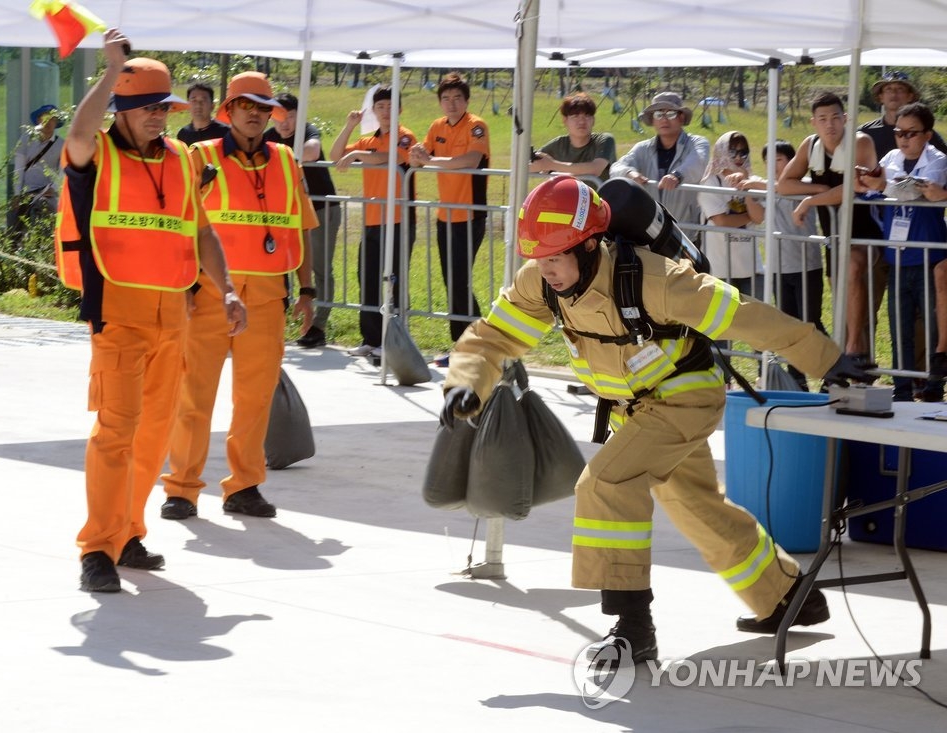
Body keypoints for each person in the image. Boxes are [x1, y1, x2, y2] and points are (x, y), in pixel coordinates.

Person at [440, 176, 874, 663]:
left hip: (683, 397)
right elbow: (493, 336)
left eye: (557, 257)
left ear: (588, 246)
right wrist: (465, 383)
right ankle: (788, 597)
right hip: (634, 408)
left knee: (606, 483)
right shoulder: (541, 282)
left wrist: (826, 359)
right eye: (539, 257)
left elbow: (746, 316)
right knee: (696, 506)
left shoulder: (656, 280)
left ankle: (633, 625)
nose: (547, 269)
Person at [55, 31, 247, 594]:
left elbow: (202, 231)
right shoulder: (97, 155)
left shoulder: (184, 160)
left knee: (153, 435)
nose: (159, 117)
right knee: (115, 432)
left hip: (173, 316)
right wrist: (112, 71)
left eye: (164, 107)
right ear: (122, 108)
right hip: (117, 312)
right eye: (147, 108)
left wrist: (228, 288)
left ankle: (128, 533)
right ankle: (97, 547)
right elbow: (78, 131)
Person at [161, 72, 318, 522]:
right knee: (195, 394)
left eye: (263, 108)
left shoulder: (287, 161)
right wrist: (184, 284)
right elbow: (179, 222)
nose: (255, 115)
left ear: (272, 115)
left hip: (268, 296)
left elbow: (300, 230)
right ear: (228, 111)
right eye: (246, 107)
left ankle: (244, 486)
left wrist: (306, 290)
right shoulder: (199, 157)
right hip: (208, 293)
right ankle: (182, 488)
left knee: (255, 398)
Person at [777, 91, 885, 364]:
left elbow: (853, 188)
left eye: (836, 117)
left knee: (853, 274)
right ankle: (855, 362)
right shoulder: (810, 145)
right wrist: (820, 188)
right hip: (834, 237)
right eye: (823, 119)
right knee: (843, 302)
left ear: (846, 118)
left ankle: (853, 350)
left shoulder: (860, 142)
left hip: (869, 234)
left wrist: (810, 201)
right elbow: (784, 184)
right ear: (813, 122)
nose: (830, 124)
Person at [859, 102, 947, 402]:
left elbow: (909, 189)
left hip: (929, 257)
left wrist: (884, 184)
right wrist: (884, 183)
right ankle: (902, 388)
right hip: (897, 255)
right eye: (899, 132)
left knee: (934, 326)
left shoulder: (938, 160)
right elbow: (883, 187)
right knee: (900, 328)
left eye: (912, 133)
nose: (904, 139)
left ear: (928, 135)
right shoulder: (891, 156)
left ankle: (935, 384)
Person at [331, 86, 417, 356]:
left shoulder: (405, 136)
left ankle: (393, 339)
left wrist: (355, 155)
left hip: (398, 219)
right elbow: (335, 155)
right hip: (372, 219)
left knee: (393, 279)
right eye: (380, 107)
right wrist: (349, 125)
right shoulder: (368, 140)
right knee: (366, 277)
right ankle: (371, 339)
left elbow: (391, 157)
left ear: (400, 109)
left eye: (390, 106)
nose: (385, 111)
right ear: (374, 111)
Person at [409, 72, 491, 358]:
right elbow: (418, 158)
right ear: (440, 102)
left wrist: (430, 160)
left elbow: (471, 160)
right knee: (451, 281)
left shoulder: (476, 126)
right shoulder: (436, 126)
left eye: (457, 98)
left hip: (470, 215)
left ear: (466, 100)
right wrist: (418, 154)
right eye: (446, 98)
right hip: (445, 216)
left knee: (460, 281)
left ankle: (475, 344)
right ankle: (467, 345)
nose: (452, 103)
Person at [743, 140, 827, 390]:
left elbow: (781, 188)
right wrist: (748, 191)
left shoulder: (804, 186)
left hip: (805, 265)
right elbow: (759, 217)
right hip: (780, 267)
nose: (774, 167)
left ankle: (833, 372)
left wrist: (757, 184)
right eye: (769, 163)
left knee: (811, 322)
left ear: (793, 163)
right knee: (790, 325)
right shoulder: (769, 188)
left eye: (780, 161)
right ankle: (798, 378)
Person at [264, 92, 340, 349]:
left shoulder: (308, 131)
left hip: (320, 209)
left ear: (300, 116)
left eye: (291, 116)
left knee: (320, 267)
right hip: (284, 213)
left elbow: (311, 151)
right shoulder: (269, 138)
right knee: (279, 264)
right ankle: (280, 318)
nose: (285, 123)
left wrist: (281, 155)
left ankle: (319, 324)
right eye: (279, 117)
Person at [609, 91, 709, 234]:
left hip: (687, 232)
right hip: (650, 233)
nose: (664, 120)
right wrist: (630, 173)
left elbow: (698, 162)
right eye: (658, 114)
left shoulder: (697, 143)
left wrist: (677, 176)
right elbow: (616, 167)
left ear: (681, 117)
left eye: (671, 114)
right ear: (652, 120)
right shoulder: (642, 148)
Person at [698, 131, 763, 298]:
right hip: (720, 269)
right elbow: (721, 220)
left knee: (755, 320)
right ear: (721, 151)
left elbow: (760, 217)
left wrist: (746, 185)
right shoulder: (711, 181)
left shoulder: (754, 180)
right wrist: (749, 217)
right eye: (732, 151)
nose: (738, 157)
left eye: (743, 152)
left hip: (751, 267)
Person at [859, 71, 947, 160]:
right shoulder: (865, 132)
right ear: (881, 97)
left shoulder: (922, 133)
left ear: (910, 96)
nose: (894, 94)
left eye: (900, 89)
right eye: (888, 89)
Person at [529, 92, 615, 181]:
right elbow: (529, 166)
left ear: (593, 120)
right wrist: (538, 165)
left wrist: (551, 165)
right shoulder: (559, 145)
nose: (582, 121)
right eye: (575, 116)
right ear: (565, 120)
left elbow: (596, 169)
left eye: (587, 116)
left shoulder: (604, 140)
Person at [10, 104, 65, 237]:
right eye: (46, 117)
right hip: (26, 192)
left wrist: (53, 188)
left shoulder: (62, 144)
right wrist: (17, 194)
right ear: (39, 120)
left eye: (53, 119)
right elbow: (18, 168)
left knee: (48, 220)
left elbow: (62, 172)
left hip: (48, 193)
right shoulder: (26, 139)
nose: (49, 122)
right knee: (15, 227)